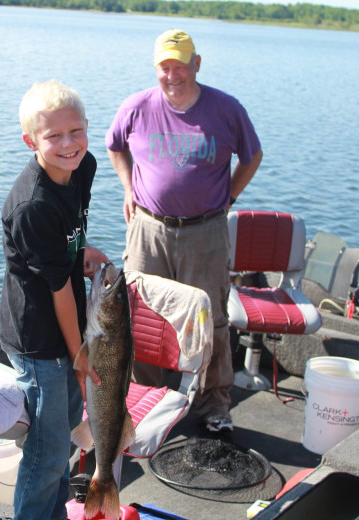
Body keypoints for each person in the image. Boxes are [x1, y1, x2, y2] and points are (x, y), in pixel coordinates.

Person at [105, 29, 263, 434]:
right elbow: (114, 145)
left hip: (205, 234)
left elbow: (252, 155)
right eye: (164, 67)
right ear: (156, 68)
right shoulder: (137, 106)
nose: (172, 75)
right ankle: (146, 399)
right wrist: (128, 187)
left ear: (197, 63)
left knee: (210, 319)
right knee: (140, 315)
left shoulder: (226, 109)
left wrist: (229, 195)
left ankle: (213, 405)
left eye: (180, 66)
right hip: (148, 230)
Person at [0, 79, 108, 520]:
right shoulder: (32, 205)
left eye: (76, 131)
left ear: (86, 128)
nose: (68, 144)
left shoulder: (83, 168)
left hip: (68, 330)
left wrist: (82, 252)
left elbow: (68, 240)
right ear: (31, 141)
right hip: (40, 340)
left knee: (63, 439)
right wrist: (79, 353)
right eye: (54, 136)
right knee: (45, 453)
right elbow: (60, 290)